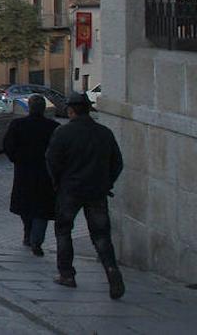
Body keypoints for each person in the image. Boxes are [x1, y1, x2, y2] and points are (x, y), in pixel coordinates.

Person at [45, 91, 125, 299]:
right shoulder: (104, 133)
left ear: (70, 110)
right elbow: (117, 162)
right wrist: (107, 182)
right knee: (101, 234)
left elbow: (52, 160)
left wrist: (57, 182)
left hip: (70, 189)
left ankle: (66, 274)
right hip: (97, 191)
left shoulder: (63, 133)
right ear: (89, 109)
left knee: (63, 230)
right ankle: (111, 270)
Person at [2, 94, 59, 256]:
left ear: (29, 108)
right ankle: (36, 240)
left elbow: (8, 145)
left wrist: (17, 159)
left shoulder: (18, 125)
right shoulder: (53, 127)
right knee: (41, 208)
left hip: (24, 171)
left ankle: (29, 233)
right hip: (45, 173)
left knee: (25, 205)